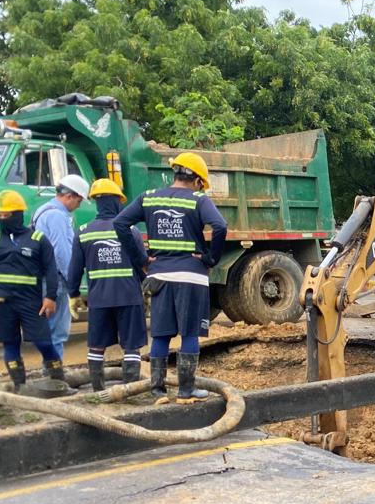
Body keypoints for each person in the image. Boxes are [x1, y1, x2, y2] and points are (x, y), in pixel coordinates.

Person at [114, 152, 227, 403]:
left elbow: (120, 223)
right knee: (189, 334)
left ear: (175, 173)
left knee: (162, 334)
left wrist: (141, 260)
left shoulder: (149, 197)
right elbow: (220, 226)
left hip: (159, 275)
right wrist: (210, 259)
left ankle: (158, 391)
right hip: (191, 275)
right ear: (197, 180)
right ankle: (186, 391)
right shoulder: (198, 199)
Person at [67, 179, 147, 391]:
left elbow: (74, 269)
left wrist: (73, 294)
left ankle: (97, 390)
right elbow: (142, 264)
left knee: (97, 345)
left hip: (99, 299)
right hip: (129, 297)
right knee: (131, 345)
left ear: (96, 202)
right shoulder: (130, 231)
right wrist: (146, 290)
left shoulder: (83, 232)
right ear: (118, 202)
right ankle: (130, 390)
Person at [0, 190, 62, 388]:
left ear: (18, 214)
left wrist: (50, 297)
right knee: (10, 344)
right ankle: (19, 387)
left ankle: (59, 382)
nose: (2, 219)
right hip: (1, 303)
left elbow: (51, 269)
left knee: (43, 342)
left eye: (6, 215)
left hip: (31, 302)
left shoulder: (38, 239)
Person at [30, 173, 89, 359]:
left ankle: (50, 375)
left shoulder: (42, 211)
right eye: (79, 201)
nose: (78, 206)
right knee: (57, 333)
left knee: (48, 330)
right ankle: (55, 379)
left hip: (43, 277)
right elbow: (62, 253)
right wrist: (73, 284)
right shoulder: (57, 216)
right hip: (56, 280)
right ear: (69, 196)